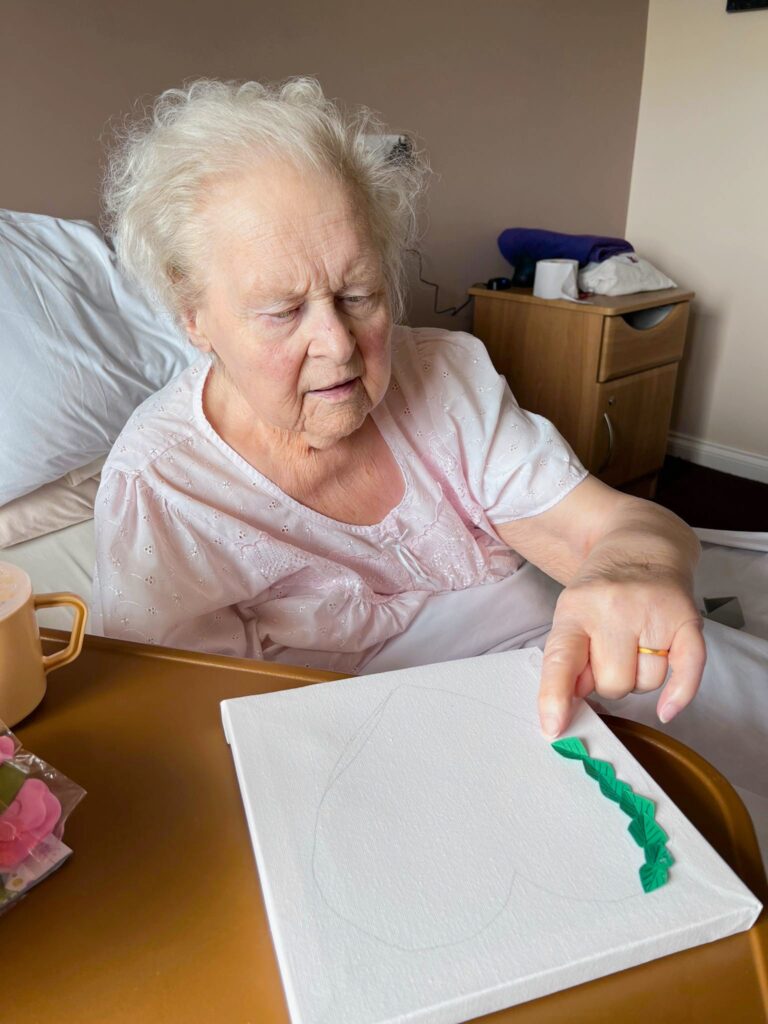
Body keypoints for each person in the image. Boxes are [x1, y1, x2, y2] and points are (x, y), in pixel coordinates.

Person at [92, 77, 706, 741]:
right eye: (283, 311)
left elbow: (609, 526)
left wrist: (633, 567)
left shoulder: (445, 375)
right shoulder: (163, 488)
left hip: (554, 675)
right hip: (367, 743)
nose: (337, 344)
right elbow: (182, 722)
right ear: (193, 317)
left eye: (359, 294)